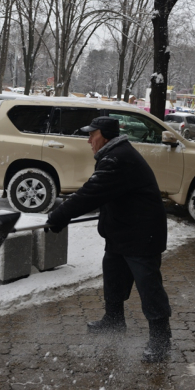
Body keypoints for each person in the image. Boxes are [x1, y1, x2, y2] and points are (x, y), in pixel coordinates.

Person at [46, 116, 172, 363]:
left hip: (141, 235)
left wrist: (60, 216)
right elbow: (104, 194)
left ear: (103, 135)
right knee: (114, 275)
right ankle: (113, 321)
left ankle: (161, 339)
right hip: (122, 231)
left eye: (91, 135)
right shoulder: (114, 154)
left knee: (149, 287)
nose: (88, 141)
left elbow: (91, 193)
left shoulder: (117, 159)